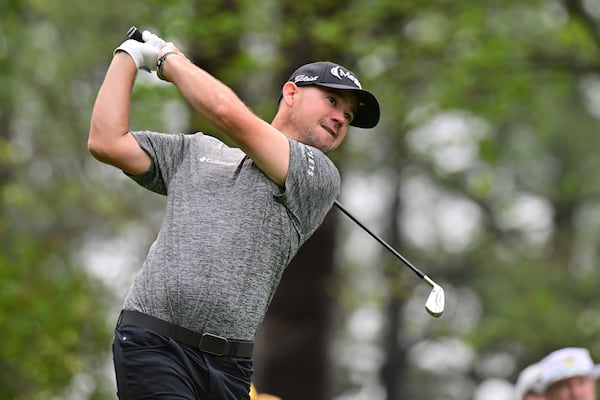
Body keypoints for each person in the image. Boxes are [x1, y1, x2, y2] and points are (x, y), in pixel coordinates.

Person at [88, 29, 380, 400]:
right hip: (154, 343)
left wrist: (166, 59)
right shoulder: (193, 152)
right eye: (332, 100)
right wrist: (128, 54)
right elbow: (107, 141)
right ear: (291, 93)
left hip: (232, 368)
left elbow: (228, 114)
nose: (341, 117)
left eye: (349, 115)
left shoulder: (317, 176)